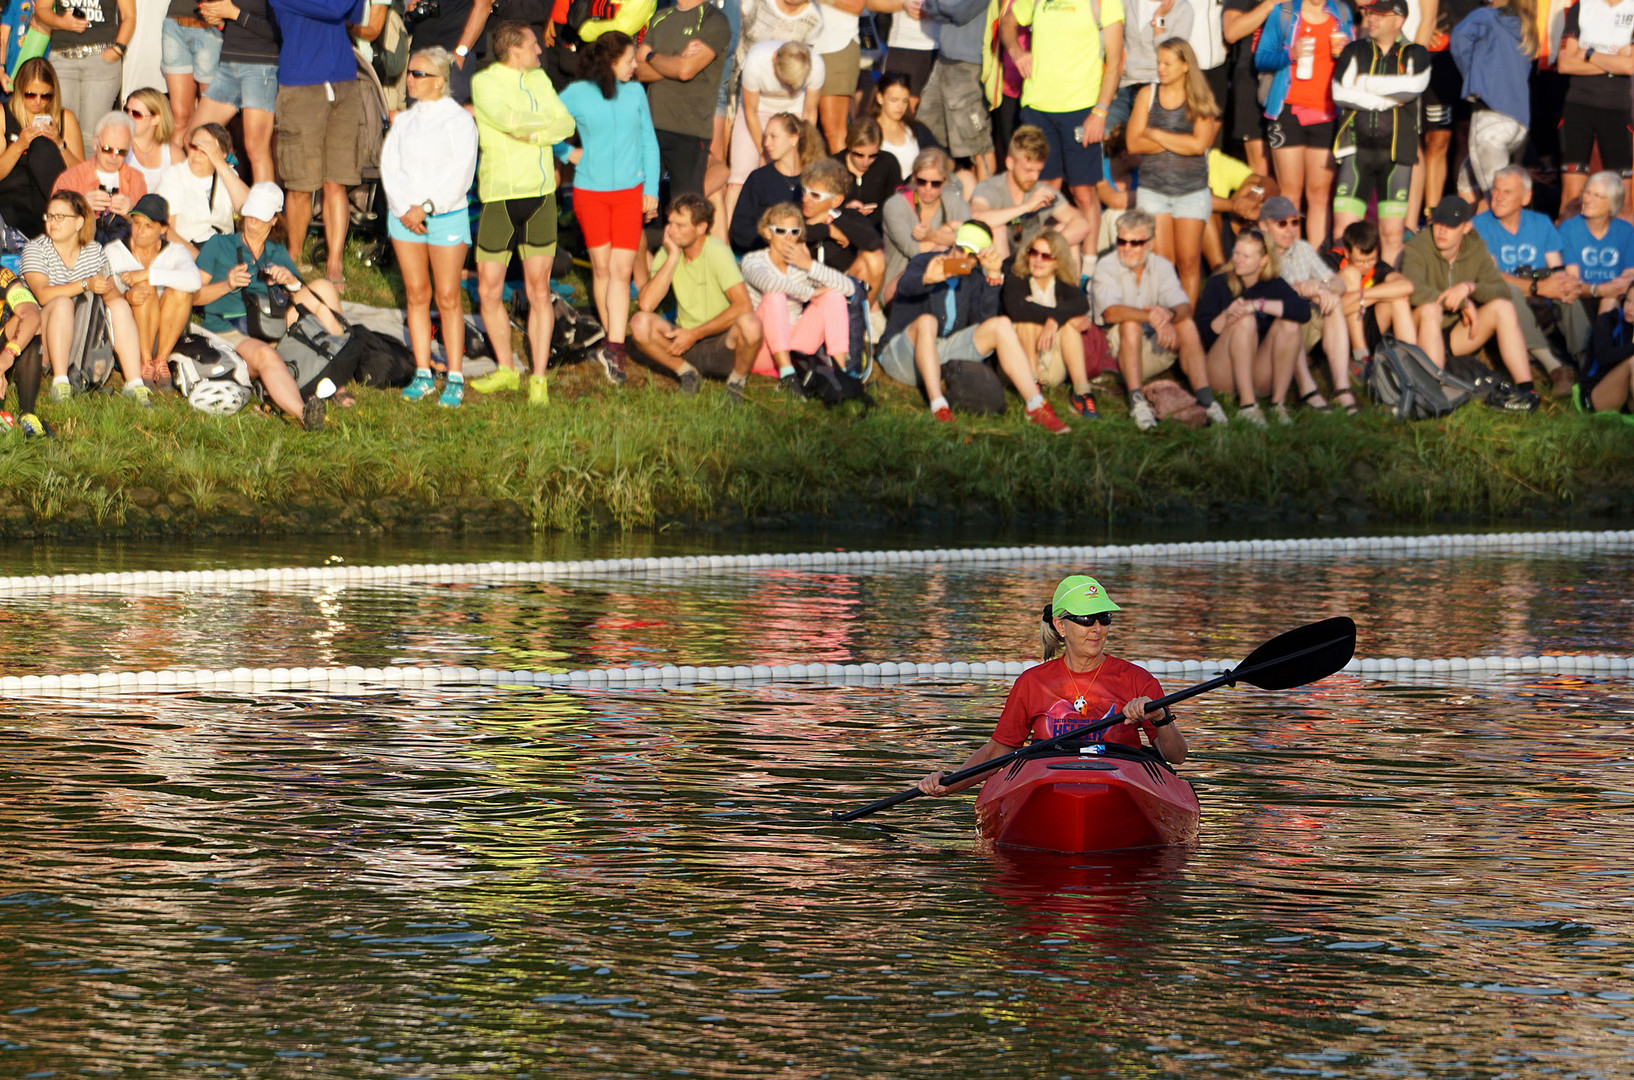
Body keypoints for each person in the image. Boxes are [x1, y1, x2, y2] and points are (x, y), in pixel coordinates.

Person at [916, 574, 1188, 798]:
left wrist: (1161, 719)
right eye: (1085, 619)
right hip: (1048, 786)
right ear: (1060, 625)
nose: (1097, 628)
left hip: (1119, 786)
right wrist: (950, 783)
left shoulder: (1139, 680)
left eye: (1104, 618)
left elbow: (1175, 756)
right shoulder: (1032, 682)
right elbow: (998, 751)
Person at [467, 21, 575, 404]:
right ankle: (507, 370)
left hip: (542, 196)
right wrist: (540, 127)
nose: (541, 51)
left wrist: (536, 133)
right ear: (515, 49)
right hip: (499, 196)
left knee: (539, 291)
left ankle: (539, 379)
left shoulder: (540, 80)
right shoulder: (485, 82)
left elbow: (566, 123)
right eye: (534, 46)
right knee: (488, 289)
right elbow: (508, 122)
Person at [879, 219, 1073, 432]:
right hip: (902, 353)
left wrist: (992, 277)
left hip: (941, 353)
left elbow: (985, 320)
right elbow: (905, 287)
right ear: (954, 243)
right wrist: (927, 278)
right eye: (960, 248)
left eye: (971, 254)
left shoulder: (974, 277)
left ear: (980, 256)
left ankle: (1036, 405)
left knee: (1001, 325)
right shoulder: (926, 262)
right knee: (927, 321)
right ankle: (939, 407)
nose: (962, 257)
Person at [192, 181, 348, 425]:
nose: (252, 222)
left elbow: (300, 297)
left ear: (274, 220)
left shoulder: (275, 250)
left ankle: (339, 370)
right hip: (231, 328)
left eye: (260, 217)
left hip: (271, 321)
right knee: (266, 355)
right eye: (249, 215)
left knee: (324, 288)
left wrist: (291, 282)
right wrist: (227, 285)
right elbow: (193, 296)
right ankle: (302, 413)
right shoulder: (218, 245)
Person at [559, 30, 662, 386]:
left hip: (629, 195)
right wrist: (566, 152)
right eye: (631, 59)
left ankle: (615, 347)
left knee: (620, 271)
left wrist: (650, 189)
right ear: (610, 61)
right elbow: (545, 126)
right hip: (590, 193)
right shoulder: (576, 94)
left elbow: (649, 142)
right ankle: (608, 336)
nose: (636, 65)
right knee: (602, 269)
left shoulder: (635, 93)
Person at [382, 47, 479, 408]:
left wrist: (426, 208)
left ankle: (455, 375)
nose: (410, 79)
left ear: (439, 81)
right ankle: (423, 372)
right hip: (404, 217)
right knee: (416, 294)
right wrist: (407, 210)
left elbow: (461, 175)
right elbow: (390, 168)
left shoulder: (459, 121)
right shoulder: (404, 121)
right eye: (410, 73)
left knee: (449, 297)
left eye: (418, 74)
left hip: (445, 216)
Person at [1000, 0, 1125, 247]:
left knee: (1083, 192)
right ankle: (1039, 257)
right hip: (1037, 107)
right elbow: (1007, 22)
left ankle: (1088, 270)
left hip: (1082, 109)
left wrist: (1100, 112)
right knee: (1042, 191)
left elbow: (1115, 61)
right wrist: (1016, 52)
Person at [1402, 194, 1540, 409]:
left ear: (1466, 227)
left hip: (1455, 333)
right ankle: (1433, 392)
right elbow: (1413, 291)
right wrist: (1463, 303)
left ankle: (1525, 390)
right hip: (1420, 328)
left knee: (1503, 307)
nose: (1441, 231)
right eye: (1438, 223)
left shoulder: (1475, 247)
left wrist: (1470, 288)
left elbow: (1501, 290)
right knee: (1430, 309)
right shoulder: (1417, 247)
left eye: (1450, 226)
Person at [1091, 208, 1222, 428]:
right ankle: (1137, 405)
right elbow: (1111, 312)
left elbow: (1183, 307)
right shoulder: (1106, 266)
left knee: (1187, 325)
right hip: (1115, 351)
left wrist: (1169, 316)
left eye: (1136, 243)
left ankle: (1208, 401)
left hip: (1154, 343)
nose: (1127, 248)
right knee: (1130, 325)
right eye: (1122, 241)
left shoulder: (1161, 265)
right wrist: (1152, 316)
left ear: (1150, 243)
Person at [628, 192, 765, 401]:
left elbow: (743, 306)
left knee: (751, 324)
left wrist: (696, 334)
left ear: (701, 227)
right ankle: (687, 372)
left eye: (680, 225)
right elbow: (646, 304)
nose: (671, 231)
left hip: (722, 341)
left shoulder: (717, 251)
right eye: (670, 223)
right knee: (639, 323)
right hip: (683, 341)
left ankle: (736, 382)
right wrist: (673, 256)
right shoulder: (669, 250)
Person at [21, 190, 151, 407]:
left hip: (81, 332)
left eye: (60, 217)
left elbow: (111, 296)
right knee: (62, 302)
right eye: (50, 216)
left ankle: (134, 383)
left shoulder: (93, 251)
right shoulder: (35, 249)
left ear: (79, 222)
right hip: (41, 337)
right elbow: (42, 294)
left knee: (118, 305)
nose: (53, 222)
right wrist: (85, 284)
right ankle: (60, 381)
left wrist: (105, 287)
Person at [1471, 165, 1591, 396]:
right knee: (1509, 291)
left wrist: (1558, 283)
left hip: (1539, 301)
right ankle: (1554, 368)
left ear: (1525, 197)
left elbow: (1555, 267)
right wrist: (1538, 287)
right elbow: (1491, 276)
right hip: (1503, 303)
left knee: (1564, 286)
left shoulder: (1540, 222)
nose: (1497, 197)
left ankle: (1588, 364)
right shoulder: (1478, 225)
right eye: (1495, 190)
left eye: (1507, 192)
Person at [270, 0, 365, 289]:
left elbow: (355, 15)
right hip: (301, 86)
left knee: (337, 181)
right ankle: (294, 257)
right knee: (300, 184)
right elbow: (336, 10)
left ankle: (334, 264)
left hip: (345, 82)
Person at [1330, 0, 1428, 270]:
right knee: (1344, 234)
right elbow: (1339, 93)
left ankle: (1382, 298)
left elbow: (1414, 87)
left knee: (1393, 234)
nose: (1371, 18)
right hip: (1356, 151)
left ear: (1399, 20)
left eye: (1380, 15)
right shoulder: (1354, 50)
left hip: (1397, 155)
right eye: (1371, 13)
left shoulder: (1416, 53)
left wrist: (1362, 83)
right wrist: (1383, 101)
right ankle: (1347, 298)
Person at [1125, 35, 1218, 304]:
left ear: (1185, 65)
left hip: (1191, 192)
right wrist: (1179, 143)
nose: (1161, 68)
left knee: (1189, 265)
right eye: (1159, 63)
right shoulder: (1148, 94)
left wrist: (1154, 133)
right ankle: (1162, 322)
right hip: (1153, 190)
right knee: (1162, 264)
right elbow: (1132, 142)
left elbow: (1199, 144)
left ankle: (1185, 325)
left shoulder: (1200, 97)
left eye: (1167, 63)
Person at [1254, 0, 1353, 248]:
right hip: (1287, 109)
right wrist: (1291, 54)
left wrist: (1349, 49)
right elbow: (1261, 58)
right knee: (1290, 195)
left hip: (1327, 112)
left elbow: (1356, 59)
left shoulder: (1340, 13)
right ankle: (1289, 265)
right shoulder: (1285, 12)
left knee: (1320, 196)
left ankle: (1318, 263)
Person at [1195, 226, 1311, 424]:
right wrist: (1226, 315)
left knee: (1290, 325)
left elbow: (1303, 311)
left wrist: (1259, 305)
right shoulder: (1219, 283)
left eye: (1246, 256)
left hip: (1256, 372)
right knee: (1244, 320)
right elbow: (1202, 337)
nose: (1238, 259)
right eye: (1236, 253)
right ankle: (1247, 407)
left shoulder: (1274, 285)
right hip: (1222, 371)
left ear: (1263, 261)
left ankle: (1278, 404)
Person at [740, 201, 854, 384]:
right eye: (780, 231)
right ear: (768, 233)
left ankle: (841, 372)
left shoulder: (800, 264)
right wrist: (809, 293)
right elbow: (770, 284)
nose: (788, 237)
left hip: (795, 346)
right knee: (775, 296)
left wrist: (809, 265)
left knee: (834, 296)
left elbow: (849, 288)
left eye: (794, 232)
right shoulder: (753, 260)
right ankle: (788, 376)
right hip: (761, 348)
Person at [636, 0, 732, 200]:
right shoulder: (660, 17)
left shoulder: (714, 20)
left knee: (685, 208)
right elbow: (638, 71)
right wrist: (678, 60)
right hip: (650, 127)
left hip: (688, 131)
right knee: (636, 204)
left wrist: (652, 56)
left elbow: (686, 71)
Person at [1260, 195, 1347, 412]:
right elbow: (1273, 295)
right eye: (1282, 223)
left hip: (1301, 329)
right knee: (1291, 312)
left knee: (1334, 303)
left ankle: (1342, 390)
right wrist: (1305, 290)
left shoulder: (1302, 248)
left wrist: (1324, 288)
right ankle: (1307, 391)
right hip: (1268, 339)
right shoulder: (1257, 252)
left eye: (1295, 222)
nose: (1290, 229)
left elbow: (1338, 282)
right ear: (1263, 225)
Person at [1002, 226, 1099, 419]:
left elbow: (1080, 302)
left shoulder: (1061, 282)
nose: (1037, 260)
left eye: (1046, 256)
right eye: (1034, 252)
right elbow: (1018, 309)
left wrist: (1055, 320)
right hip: (1018, 367)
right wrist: (1055, 317)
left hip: (1052, 365)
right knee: (1030, 322)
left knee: (1070, 324)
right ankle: (1032, 388)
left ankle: (1082, 393)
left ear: (1058, 262)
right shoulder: (1017, 276)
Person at [105, 193, 201, 388]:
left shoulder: (176, 251)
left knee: (180, 291)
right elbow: (106, 294)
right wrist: (127, 296)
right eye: (136, 223)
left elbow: (194, 281)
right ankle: (145, 362)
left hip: (166, 331)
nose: (139, 231)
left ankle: (160, 361)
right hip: (129, 334)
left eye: (148, 226)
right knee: (143, 290)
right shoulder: (114, 250)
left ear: (163, 229)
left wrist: (148, 273)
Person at [1448, 0, 1537, 201]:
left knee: (1497, 199)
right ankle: (1469, 230)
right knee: (1466, 180)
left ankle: (1500, 232)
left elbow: (1459, 39)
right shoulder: (1524, 25)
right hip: (1518, 122)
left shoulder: (1485, 16)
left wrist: (1473, 75)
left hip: (1490, 119)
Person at [1554, 0, 1634, 220]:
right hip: (1577, 108)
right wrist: (1614, 62)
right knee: (1571, 199)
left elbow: (1630, 66)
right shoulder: (1582, 5)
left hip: (1618, 111)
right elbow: (1565, 64)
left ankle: (1625, 254)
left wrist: (1588, 53)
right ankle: (1564, 253)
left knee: (1625, 201)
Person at [969, 125, 1090, 269]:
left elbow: (1082, 224)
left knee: (1064, 231)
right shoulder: (990, 187)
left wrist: (1043, 249)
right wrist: (1025, 208)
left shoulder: (1041, 191)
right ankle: (1005, 286)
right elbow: (976, 217)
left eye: (1039, 170)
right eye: (1028, 170)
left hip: (1033, 261)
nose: (1035, 177)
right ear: (1010, 163)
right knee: (997, 229)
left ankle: (1070, 290)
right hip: (998, 266)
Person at [728, 40, 823, 213]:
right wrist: (764, 151)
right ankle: (727, 236)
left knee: (796, 172)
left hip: (795, 112)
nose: (790, 89)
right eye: (786, 83)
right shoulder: (757, 60)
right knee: (740, 176)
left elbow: (809, 112)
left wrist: (805, 148)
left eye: (795, 84)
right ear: (774, 62)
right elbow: (750, 111)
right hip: (758, 111)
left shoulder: (816, 65)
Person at [192, 0, 279, 185]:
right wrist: (218, 19)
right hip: (228, 64)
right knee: (194, 138)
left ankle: (263, 212)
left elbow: (278, 30)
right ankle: (225, 198)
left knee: (256, 148)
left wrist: (234, 14)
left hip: (260, 66)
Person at [37, 0, 133, 157]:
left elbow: (129, 16)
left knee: (92, 137)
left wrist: (118, 49)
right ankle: (68, 180)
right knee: (63, 133)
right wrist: (61, 22)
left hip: (101, 62)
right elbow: (42, 9)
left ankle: (90, 181)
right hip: (62, 60)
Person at [914, 0, 994, 183]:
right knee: (924, 133)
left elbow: (960, 11)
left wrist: (941, 8)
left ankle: (983, 207)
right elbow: (932, 8)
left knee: (977, 147)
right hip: (943, 61)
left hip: (969, 67)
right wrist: (942, 9)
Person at [0, 58, 81, 237]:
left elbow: (83, 175)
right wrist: (19, 145)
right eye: (30, 94)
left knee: (42, 148)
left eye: (45, 95)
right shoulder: (3, 115)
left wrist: (59, 144)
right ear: (19, 90)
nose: (38, 101)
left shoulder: (65, 118)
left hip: (49, 204)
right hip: (12, 202)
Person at [1336, 219, 1414, 405]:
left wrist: (1363, 296)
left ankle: (1411, 365)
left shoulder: (1377, 266)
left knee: (1399, 299)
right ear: (1347, 252)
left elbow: (1406, 286)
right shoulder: (1331, 261)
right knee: (1352, 274)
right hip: (1336, 330)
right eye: (1360, 260)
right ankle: (1360, 357)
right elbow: (1335, 308)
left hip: (1367, 323)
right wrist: (1370, 298)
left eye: (1371, 259)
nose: (1367, 266)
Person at [883, 146, 971, 298]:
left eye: (935, 183)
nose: (927, 188)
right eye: (921, 181)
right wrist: (949, 231)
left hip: (949, 275)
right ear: (914, 177)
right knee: (942, 252)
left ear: (944, 182)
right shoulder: (895, 205)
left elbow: (971, 243)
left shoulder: (954, 202)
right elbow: (915, 251)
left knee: (968, 264)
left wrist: (933, 234)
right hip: (902, 283)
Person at [729, 112, 817, 254]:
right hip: (764, 258)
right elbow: (740, 231)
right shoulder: (758, 179)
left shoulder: (812, 179)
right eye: (765, 137)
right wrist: (774, 239)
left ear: (794, 139)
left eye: (773, 137)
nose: (766, 143)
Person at [51, 111, 146, 238]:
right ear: (95, 144)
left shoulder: (136, 179)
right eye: (107, 149)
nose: (113, 156)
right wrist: (80, 207)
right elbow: (53, 225)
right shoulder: (71, 178)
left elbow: (150, 232)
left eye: (121, 151)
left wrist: (133, 215)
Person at [157, 121, 247, 253]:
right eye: (194, 147)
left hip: (226, 250)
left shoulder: (228, 174)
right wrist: (201, 259)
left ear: (222, 154)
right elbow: (167, 232)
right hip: (188, 252)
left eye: (205, 150)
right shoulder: (174, 176)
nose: (197, 153)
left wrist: (220, 164)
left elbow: (249, 209)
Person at [1110, 0, 1195, 131]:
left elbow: (1171, 54)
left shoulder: (1182, 8)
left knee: (1146, 141)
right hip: (1124, 86)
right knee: (1107, 136)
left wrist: (1159, 19)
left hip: (1157, 88)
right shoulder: (1126, 3)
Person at [1559, 171, 1634, 317]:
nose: (1587, 199)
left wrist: (1615, 289)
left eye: (1597, 196)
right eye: (1587, 193)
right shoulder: (1568, 230)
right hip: (1581, 298)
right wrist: (1598, 289)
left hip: (1615, 298)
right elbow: (1571, 281)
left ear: (1613, 203)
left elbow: (1630, 274)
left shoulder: (1626, 231)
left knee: (1611, 300)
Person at [160, 0, 222, 153]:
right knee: (180, 117)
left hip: (211, 28)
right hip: (175, 25)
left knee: (210, 121)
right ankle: (176, 173)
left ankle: (212, 173)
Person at [1221, 0, 1274, 175]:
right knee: (1260, 163)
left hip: (1290, 75)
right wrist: (1270, 4)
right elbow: (1231, 32)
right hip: (1250, 75)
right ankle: (1263, 201)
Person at [811, 0, 862, 153]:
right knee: (796, 125)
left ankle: (843, 176)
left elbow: (858, 4)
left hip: (835, 45)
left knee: (833, 130)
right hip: (800, 41)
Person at [835, 117, 900, 231]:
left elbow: (896, 203)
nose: (865, 162)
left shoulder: (887, 163)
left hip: (880, 231)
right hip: (842, 230)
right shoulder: (833, 167)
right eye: (859, 155)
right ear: (849, 146)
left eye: (872, 156)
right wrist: (845, 209)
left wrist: (877, 213)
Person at [869, 70, 935, 177]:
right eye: (894, 100)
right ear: (880, 98)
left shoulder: (917, 129)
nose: (900, 106)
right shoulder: (866, 130)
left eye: (905, 101)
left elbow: (945, 159)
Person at [1581, 283, 1634, 413]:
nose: (1629, 308)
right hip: (1596, 393)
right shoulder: (1608, 321)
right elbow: (1603, 357)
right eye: (1627, 300)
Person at [875, 0, 938, 108]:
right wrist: (903, 4)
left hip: (948, 51)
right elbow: (872, 3)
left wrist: (938, 10)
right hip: (905, 46)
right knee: (901, 110)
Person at [122, 88, 175, 191]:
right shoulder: (117, 147)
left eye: (136, 114)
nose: (129, 116)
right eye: (126, 110)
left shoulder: (172, 154)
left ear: (156, 119)